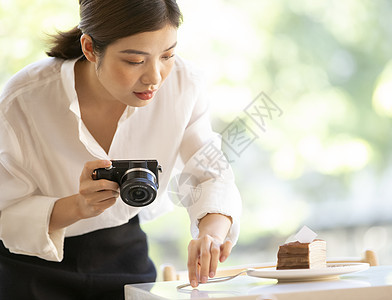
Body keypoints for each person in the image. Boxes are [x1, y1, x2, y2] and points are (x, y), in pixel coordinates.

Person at [0, 0, 242, 299]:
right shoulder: (24, 99)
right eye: (134, 61)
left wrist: (211, 236)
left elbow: (211, 175)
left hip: (125, 255)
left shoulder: (184, 85)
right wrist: (79, 206)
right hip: (31, 268)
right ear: (89, 48)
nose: (154, 76)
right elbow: (5, 212)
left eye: (167, 55)